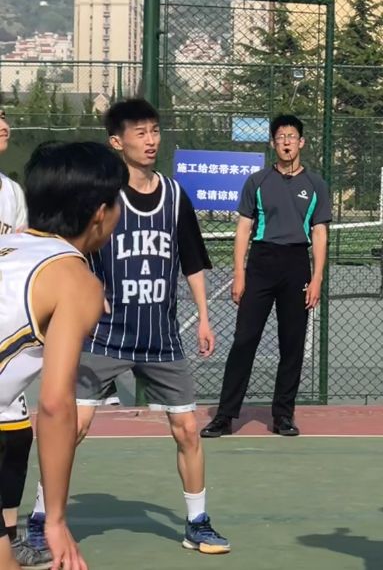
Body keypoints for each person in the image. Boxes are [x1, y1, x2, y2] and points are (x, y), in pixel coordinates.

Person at [20, 100, 230, 566]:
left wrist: (204, 316)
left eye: (155, 130)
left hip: (161, 336)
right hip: (105, 335)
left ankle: (197, 522)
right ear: (117, 142)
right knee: (73, 426)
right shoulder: (103, 198)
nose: (151, 140)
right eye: (140, 132)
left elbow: (192, 260)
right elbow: (73, 251)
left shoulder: (174, 195)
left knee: (187, 429)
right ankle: (40, 517)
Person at [0, 141, 125, 570]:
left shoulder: (10, 247)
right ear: (100, 213)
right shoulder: (76, 279)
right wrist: (54, 518)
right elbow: (55, 404)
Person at [201, 114, 332, 439]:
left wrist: (317, 278)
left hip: (296, 265)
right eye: (281, 137)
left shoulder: (316, 185)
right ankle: (224, 416)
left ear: (301, 142)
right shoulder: (257, 182)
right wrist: (239, 273)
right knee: (244, 340)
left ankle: (283, 415)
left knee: (292, 344)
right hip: (261, 263)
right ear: (273, 144)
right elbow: (243, 229)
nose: (287, 142)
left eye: (292, 137)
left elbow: (319, 233)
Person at [0, 112, 33, 551]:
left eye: (5, 119)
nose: (3, 125)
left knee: (17, 438)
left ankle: (9, 534)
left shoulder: (12, 192)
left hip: (6, 320)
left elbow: (22, 247)